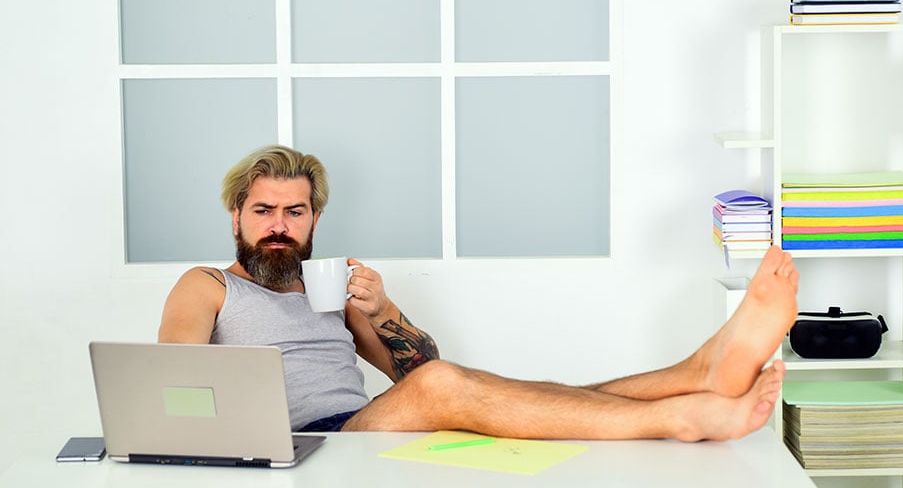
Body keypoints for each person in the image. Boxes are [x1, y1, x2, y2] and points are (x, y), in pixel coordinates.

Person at [159, 144, 800, 442]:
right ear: (236, 216)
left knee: (509, 396)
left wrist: (381, 311)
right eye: (265, 210)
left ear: (315, 222)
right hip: (301, 448)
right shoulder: (207, 286)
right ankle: (678, 413)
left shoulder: (331, 287)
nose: (279, 226)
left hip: (355, 431)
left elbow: (419, 370)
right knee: (456, 391)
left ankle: (697, 372)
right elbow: (173, 392)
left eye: (295, 213)